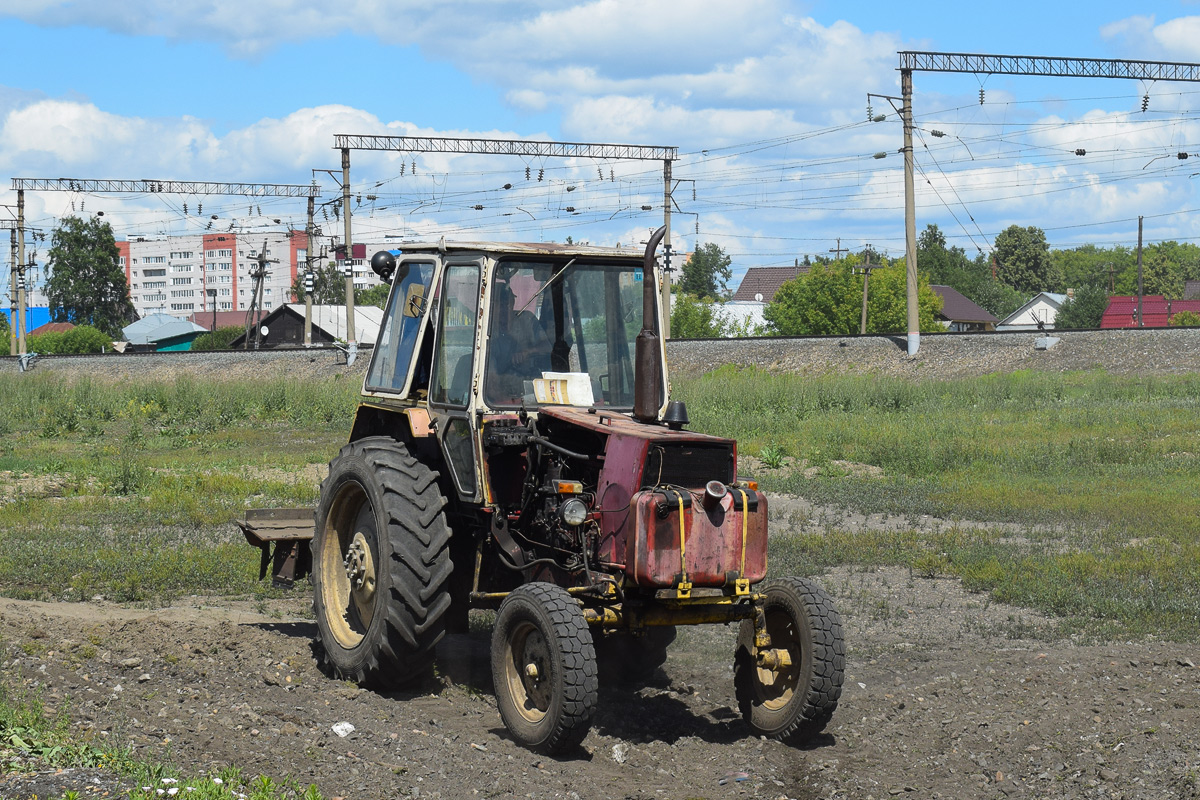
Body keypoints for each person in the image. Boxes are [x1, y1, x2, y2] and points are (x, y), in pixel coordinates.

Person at [487, 279, 550, 400]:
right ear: (491, 305)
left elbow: (547, 347)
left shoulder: (526, 320)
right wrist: (506, 404)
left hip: (532, 386)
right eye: (500, 304)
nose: (504, 309)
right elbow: (491, 384)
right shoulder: (486, 330)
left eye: (508, 303)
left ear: (513, 302)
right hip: (500, 392)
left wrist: (528, 351)